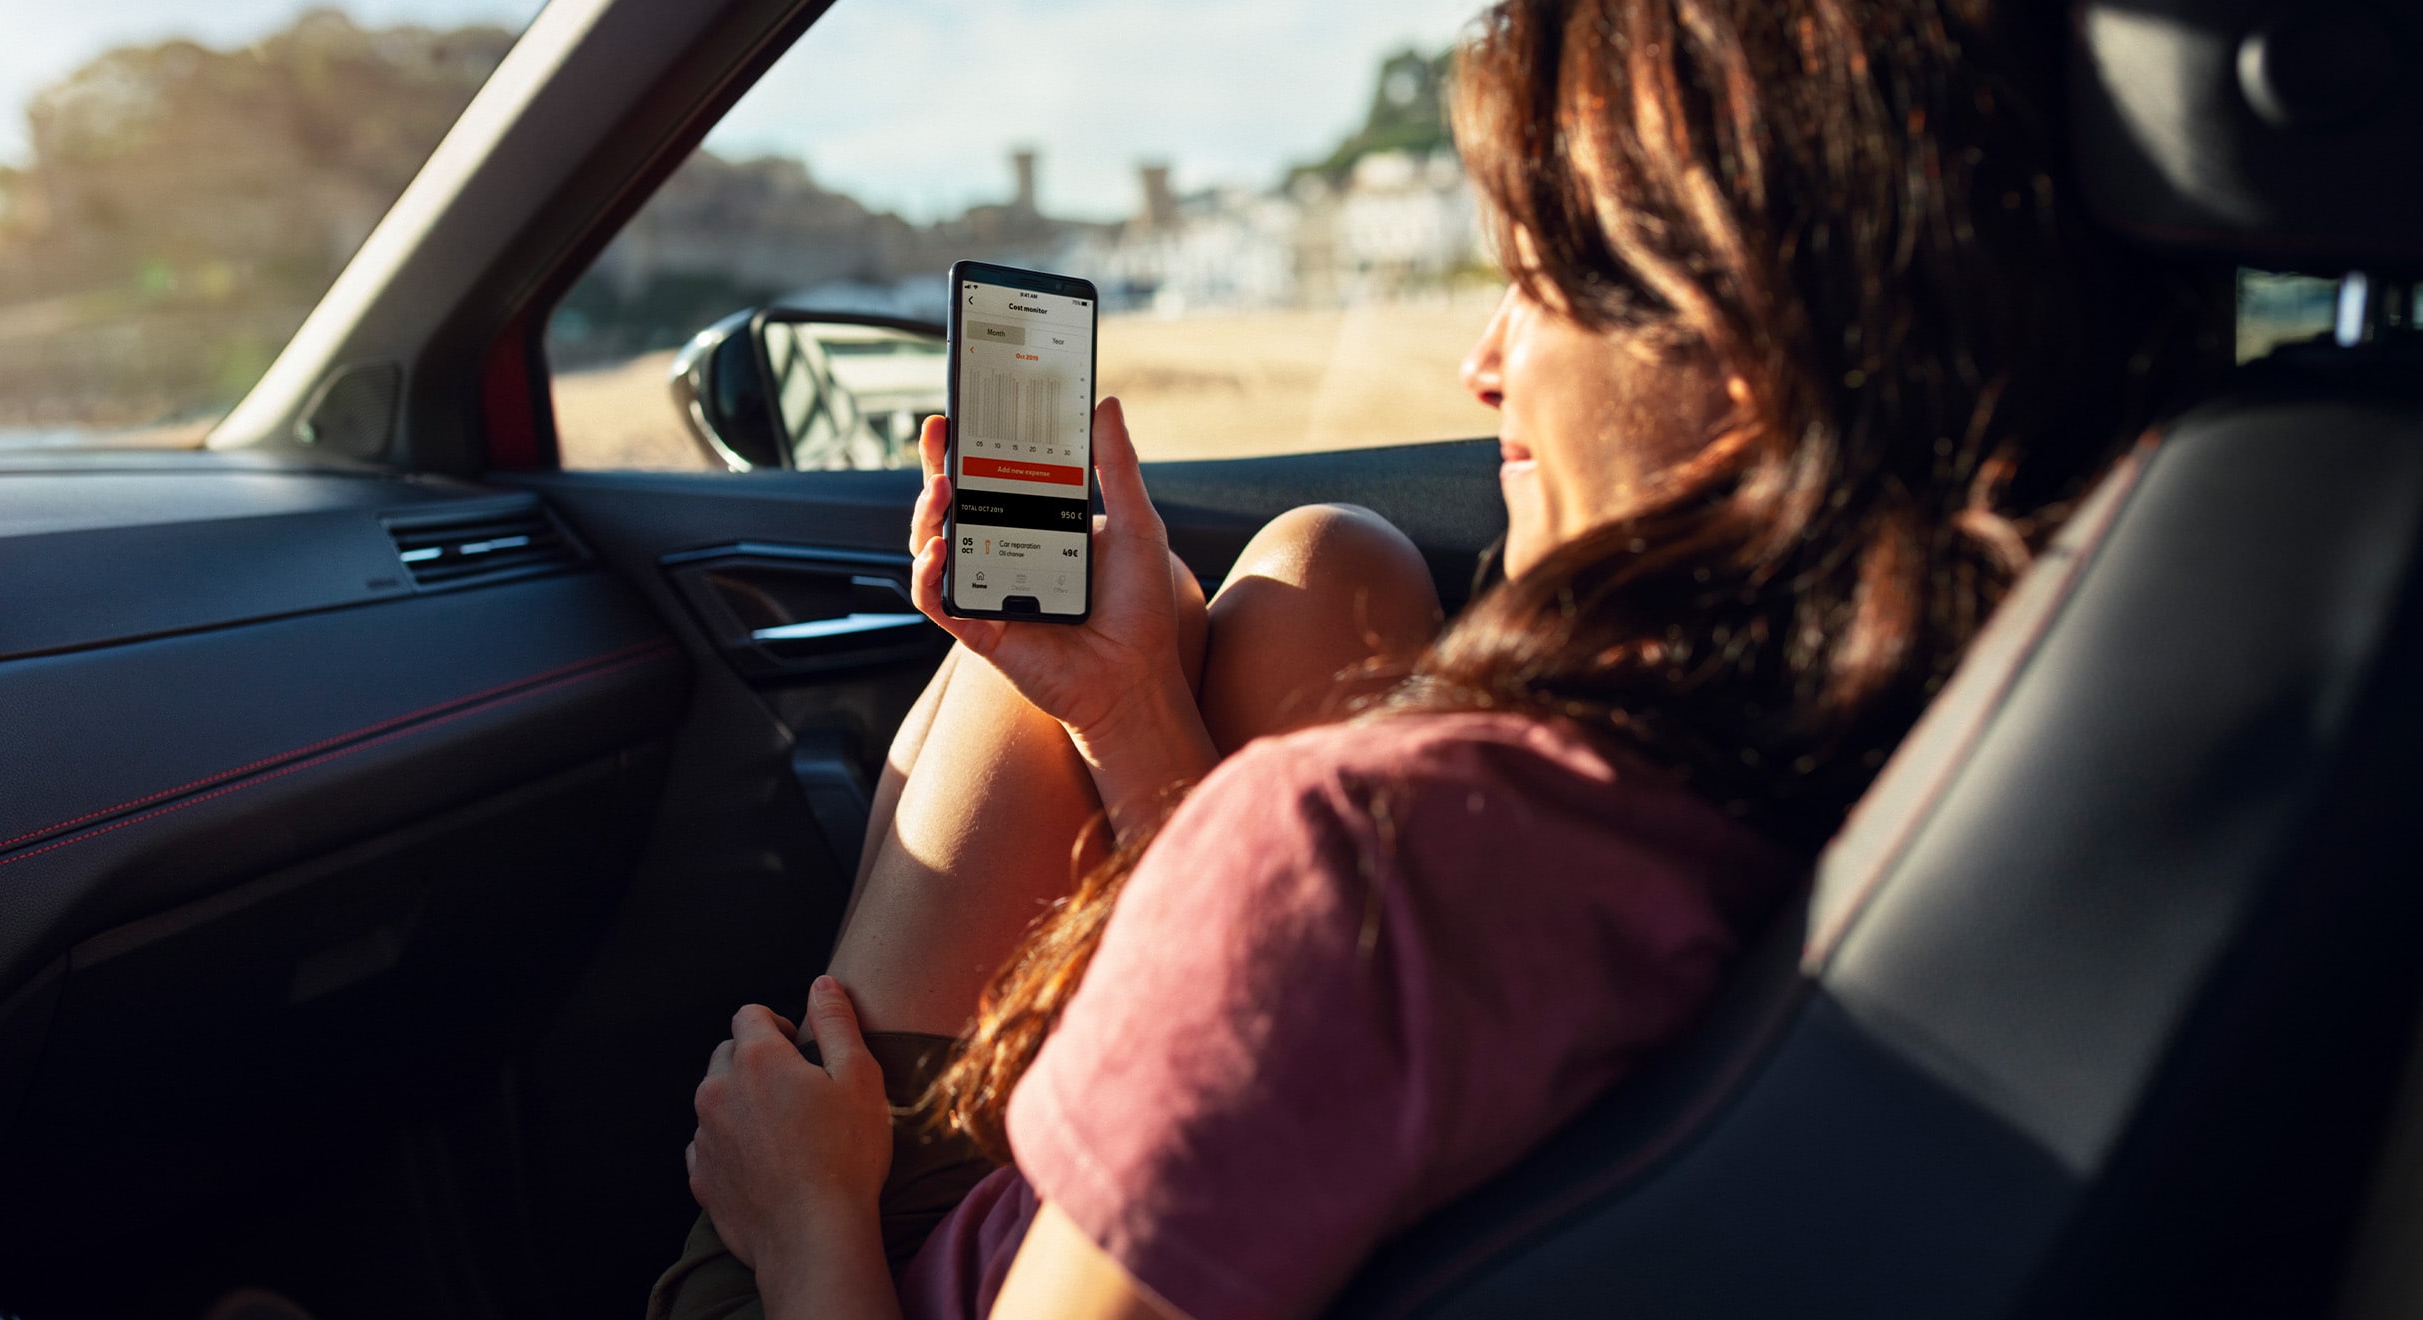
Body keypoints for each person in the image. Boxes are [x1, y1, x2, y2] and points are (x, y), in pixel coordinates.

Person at [651, 0, 2215, 1316]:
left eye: (1538, 285)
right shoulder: (1947, 734)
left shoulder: (1353, 861)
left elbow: (1323, 946)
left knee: (1007, 687)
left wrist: (809, 1226)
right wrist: (1129, 702)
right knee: (1327, 563)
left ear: (1742, 365)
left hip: (875, 1272)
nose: (1482, 365)